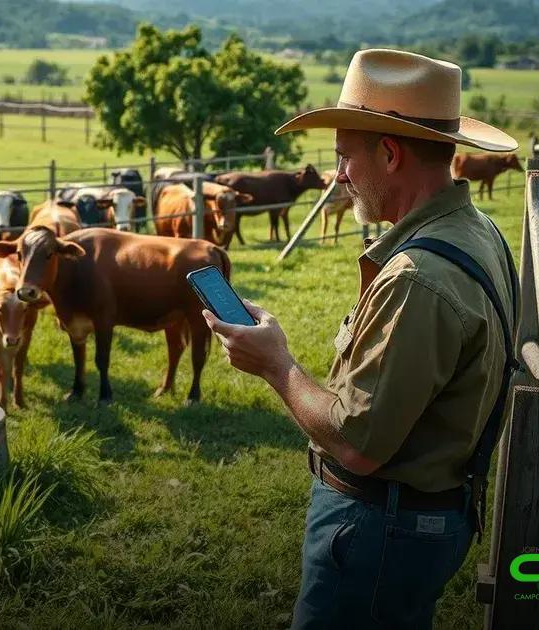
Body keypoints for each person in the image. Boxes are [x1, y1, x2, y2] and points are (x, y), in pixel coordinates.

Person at [202, 49, 519, 628]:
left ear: (391, 154)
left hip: (379, 530)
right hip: (425, 518)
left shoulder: (418, 279)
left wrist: (277, 365)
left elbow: (357, 444)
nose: (340, 176)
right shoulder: (478, 232)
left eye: (345, 157)